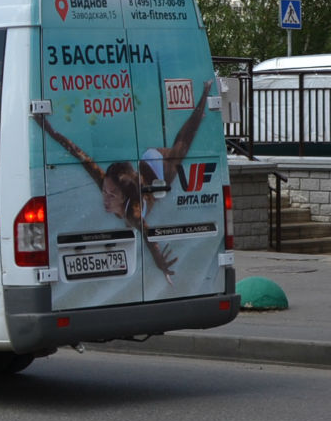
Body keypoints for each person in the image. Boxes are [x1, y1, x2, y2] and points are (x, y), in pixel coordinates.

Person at [35, 79, 213, 284]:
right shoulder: (106, 181)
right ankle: (200, 105)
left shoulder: (133, 212)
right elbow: (78, 153)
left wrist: (160, 264)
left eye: (112, 195)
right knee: (179, 145)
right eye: (105, 192)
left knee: (183, 142)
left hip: (158, 170)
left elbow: (149, 237)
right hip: (144, 165)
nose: (105, 198)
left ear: (125, 197)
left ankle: (202, 100)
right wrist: (49, 130)